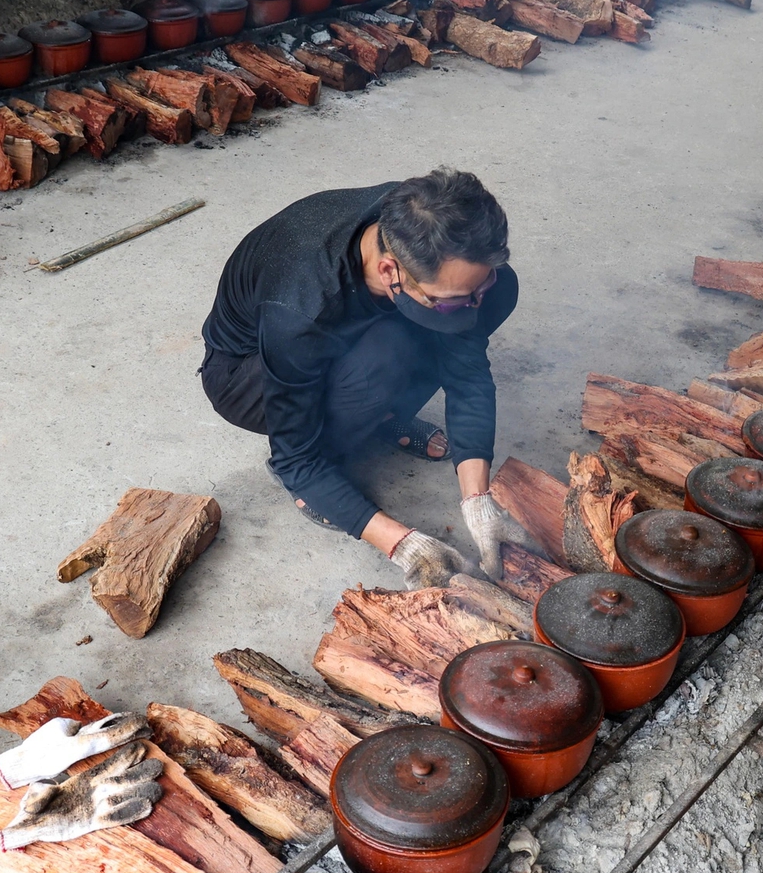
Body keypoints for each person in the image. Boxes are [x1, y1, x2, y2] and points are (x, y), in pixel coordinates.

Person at [200, 168, 544, 585]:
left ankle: (379, 414)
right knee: (384, 360)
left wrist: (479, 502)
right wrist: (406, 545)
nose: (473, 304)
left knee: (496, 292)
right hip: (247, 375)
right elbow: (297, 459)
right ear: (389, 272)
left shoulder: (422, 224)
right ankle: (329, 462)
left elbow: (466, 370)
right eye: (453, 299)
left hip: (335, 335)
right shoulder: (302, 306)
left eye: (475, 285)